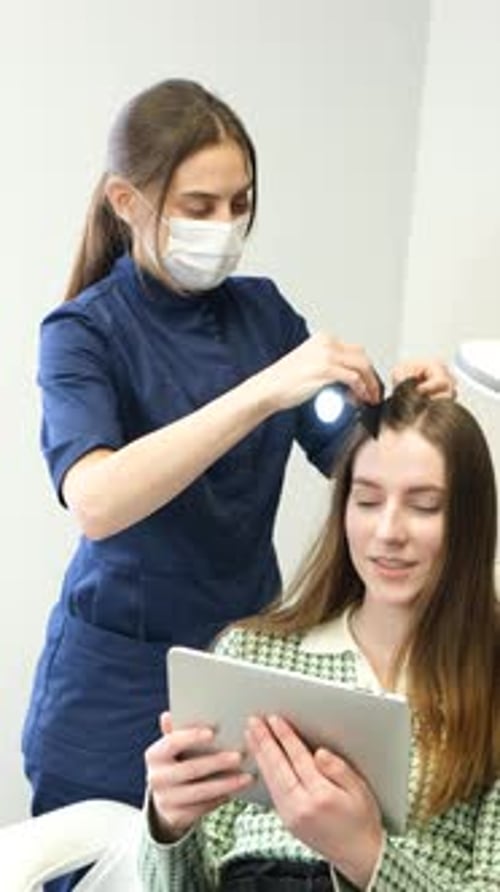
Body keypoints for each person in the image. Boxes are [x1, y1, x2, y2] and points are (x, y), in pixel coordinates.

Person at [22, 77, 455, 886]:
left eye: (239, 204)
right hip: (113, 691)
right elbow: (98, 499)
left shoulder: (264, 317)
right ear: (126, 199)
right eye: (199, 205)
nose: (224, 228)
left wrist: (412, 411)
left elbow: (353, 461)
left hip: (241, 671)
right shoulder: (82, 334)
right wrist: (265, 390)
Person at [140, 378, 499, 892]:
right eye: (368, 501)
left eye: (424, 506)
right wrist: (168, 823)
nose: (388, 531)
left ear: (470, 519)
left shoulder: (490, 681)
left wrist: (366, 854)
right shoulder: (254, 654)